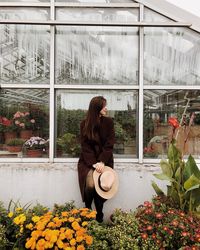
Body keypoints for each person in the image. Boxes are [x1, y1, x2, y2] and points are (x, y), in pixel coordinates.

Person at [77, 96, 115, 222]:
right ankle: (87, 208)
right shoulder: (84, 124)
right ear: (97, 108)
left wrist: (102, 161)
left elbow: (109, 144)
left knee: (101, 183)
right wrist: (94, 163)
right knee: (90, 183)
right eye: (104, 106)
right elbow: (85, 146)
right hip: (88, 161)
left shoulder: (109, 122)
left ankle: (99, 212)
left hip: (105, 160)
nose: (106, 108)